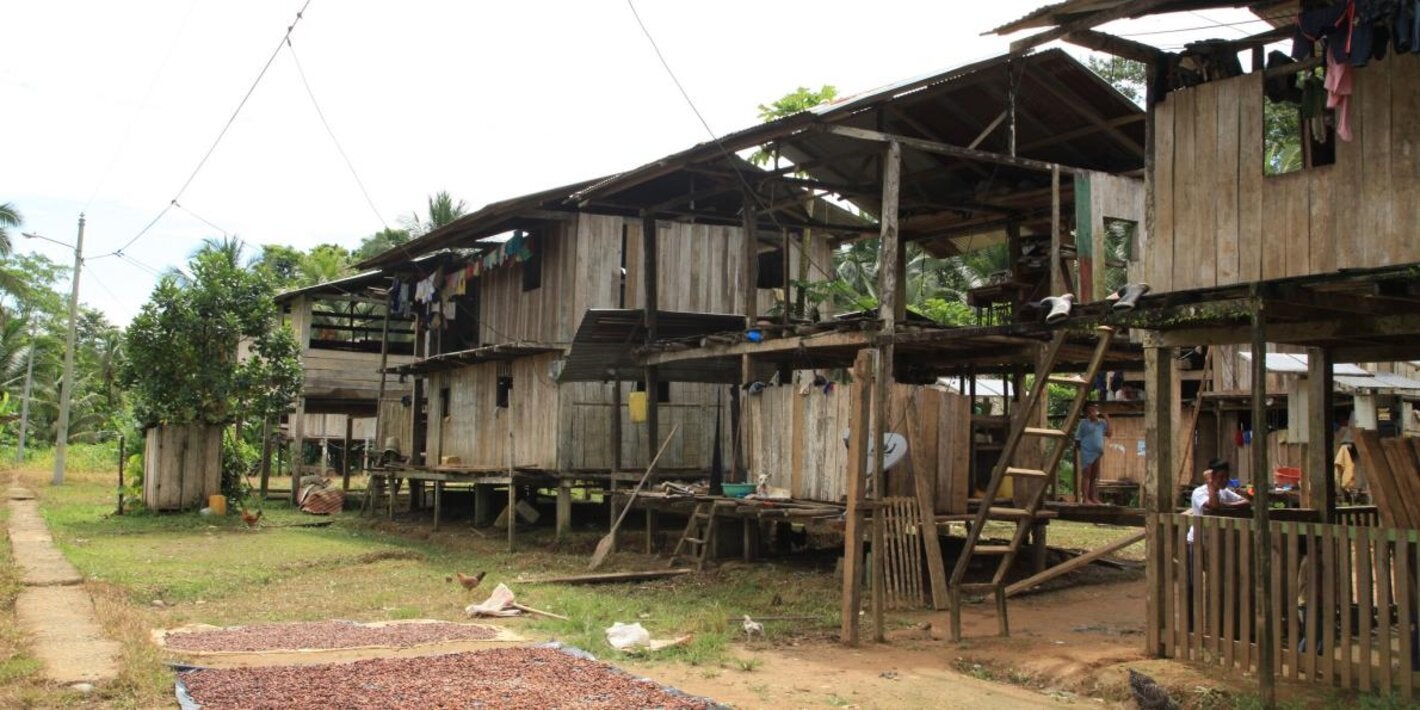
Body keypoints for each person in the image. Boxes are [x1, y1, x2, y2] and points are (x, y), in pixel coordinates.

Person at [1074, 403, 1112, 504]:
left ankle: (1093, 497)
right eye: (1090, 411)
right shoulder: (1083, 423)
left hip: (1097, 452)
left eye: (1094, 410)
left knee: (1094, 476)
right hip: (1087, 451)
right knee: (1086, 474)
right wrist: (1083, 450)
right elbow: (1077, 439)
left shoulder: (1101, 423)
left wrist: (1107, 418)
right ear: (1086, 413)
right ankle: (1086, 498)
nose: (1093, 413)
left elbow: (1109, 434)